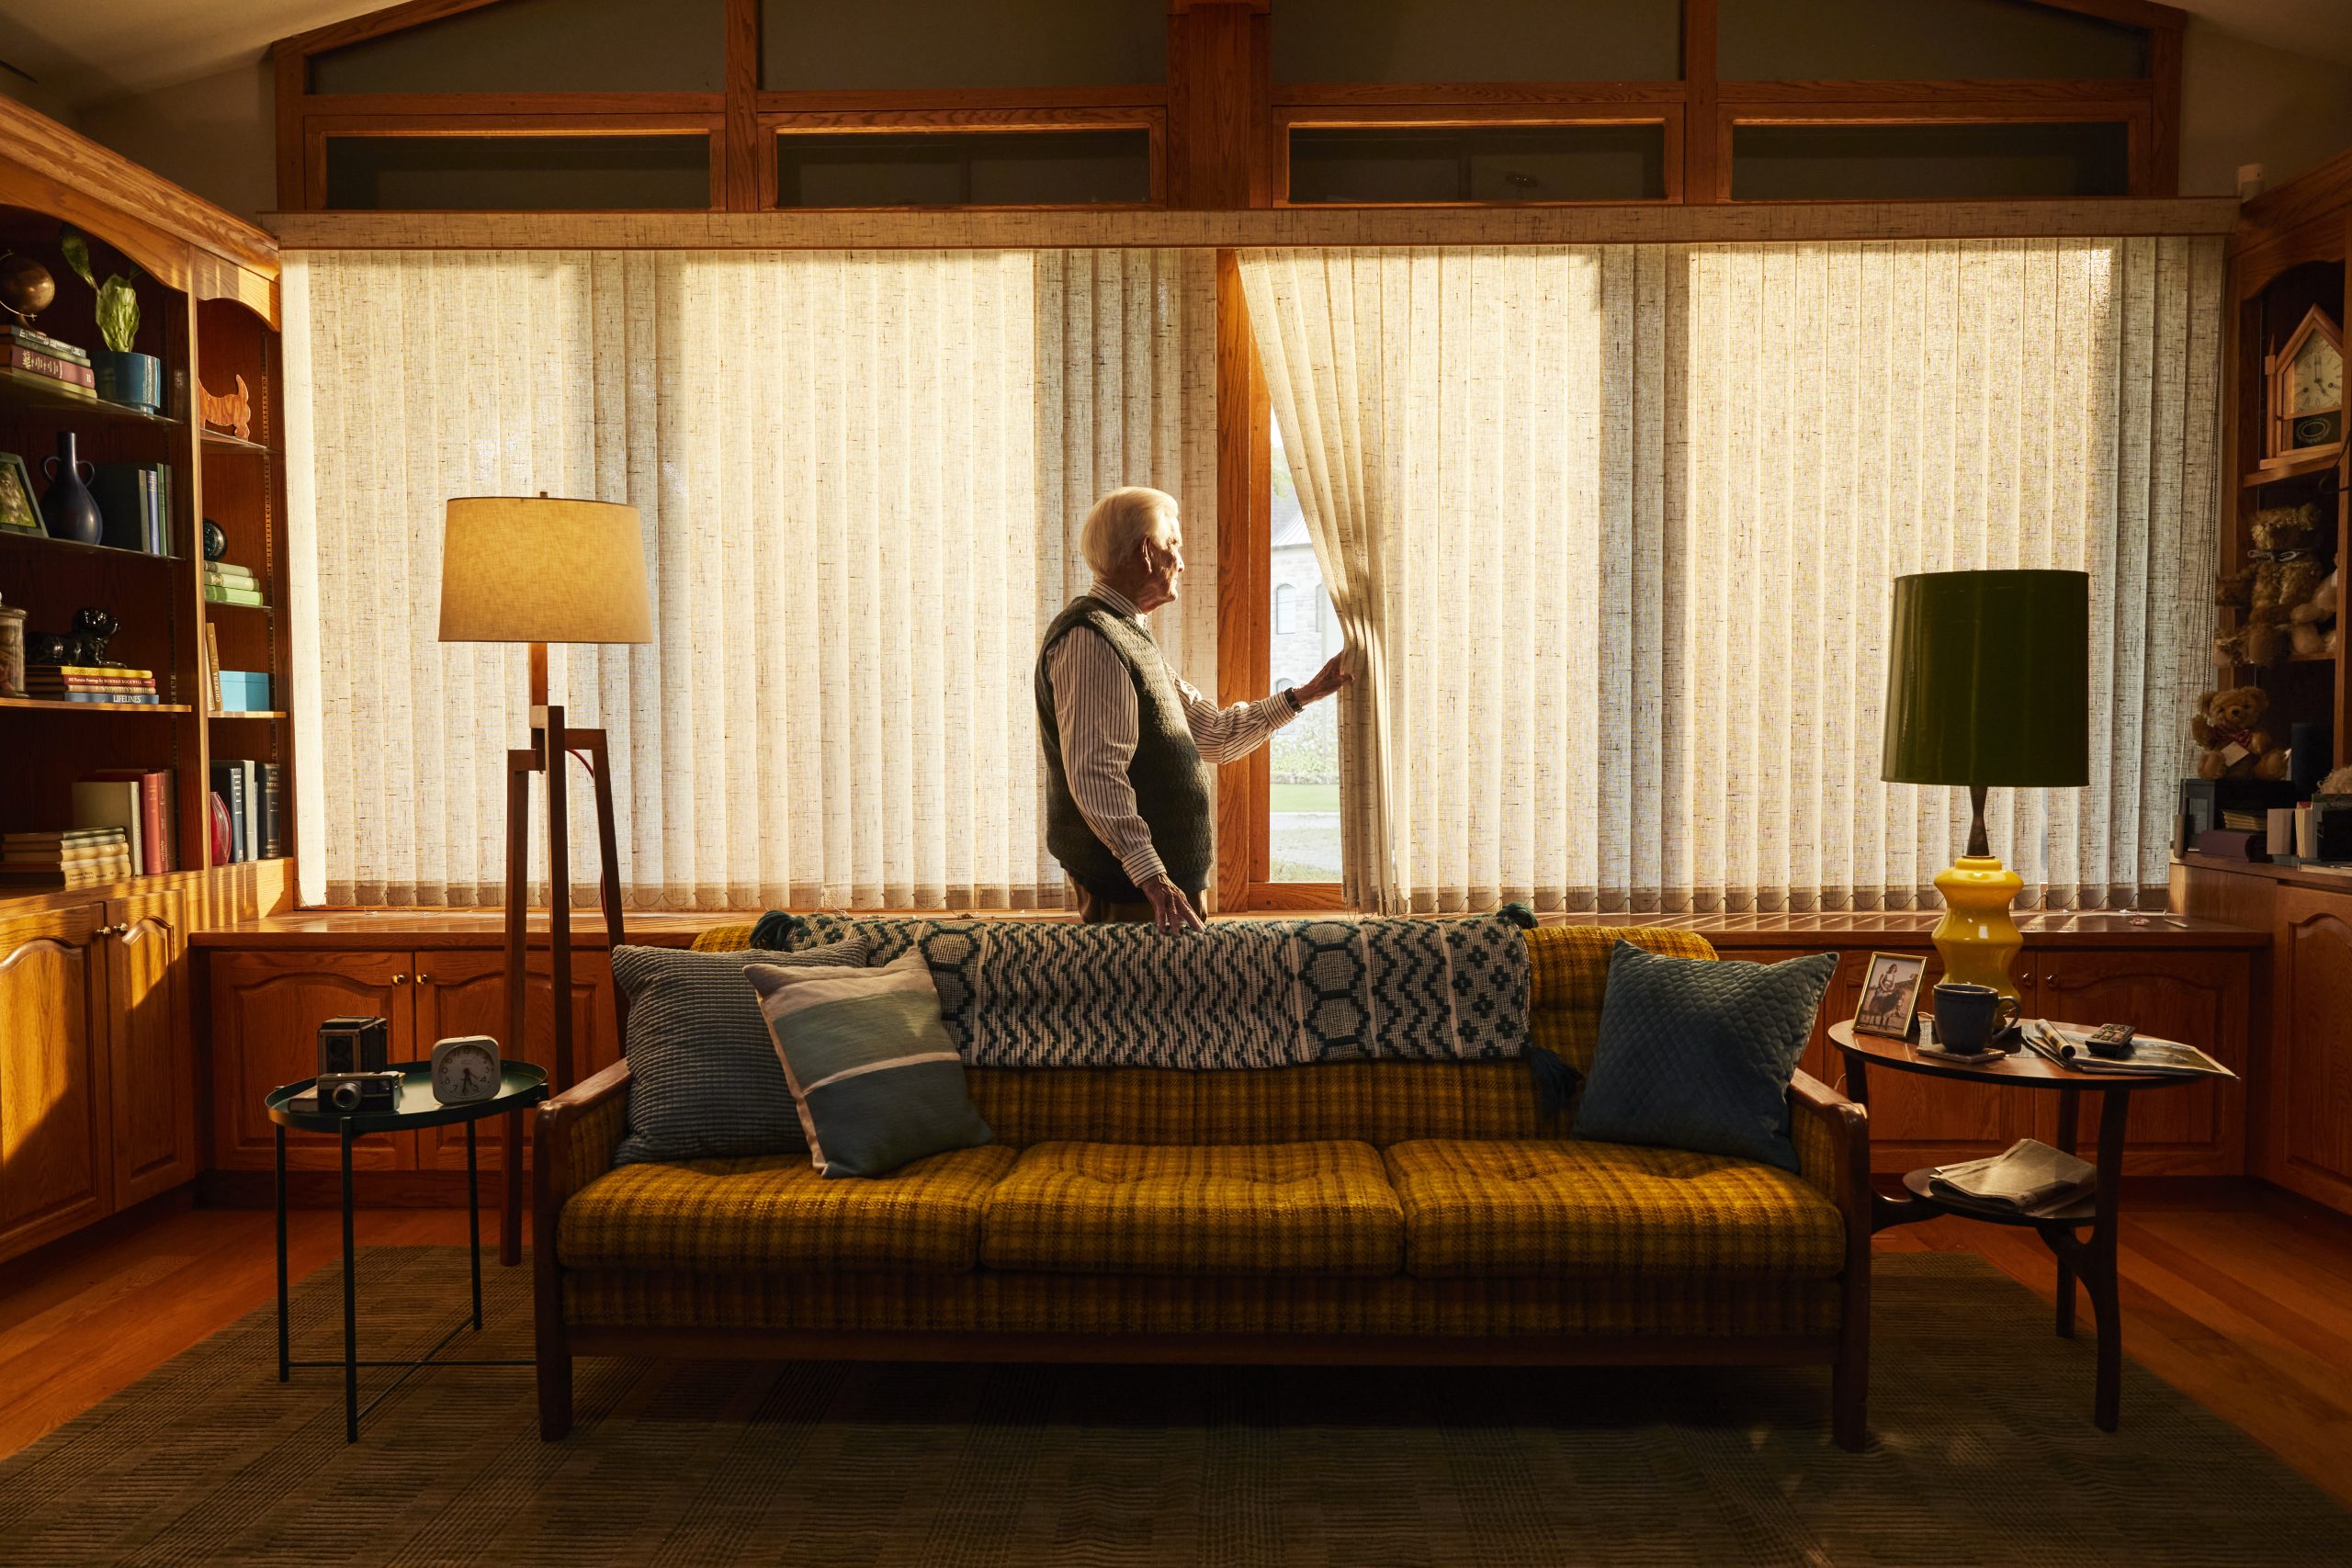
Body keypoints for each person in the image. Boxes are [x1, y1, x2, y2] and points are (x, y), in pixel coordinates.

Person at [1036, 486, 1350, 931]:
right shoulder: (1091, 640)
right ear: (1146, 552)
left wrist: (1305, 694)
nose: (1181, 562)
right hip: (1134, 892)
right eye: (1173, 545)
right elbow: (1095, 774)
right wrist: (1153, 877)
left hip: (1155, 889)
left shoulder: (1126, 634)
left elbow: (1213, 734)